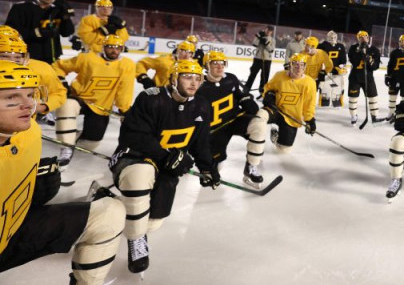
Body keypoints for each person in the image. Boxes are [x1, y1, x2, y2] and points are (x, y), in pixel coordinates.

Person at [0, 60, 125, 285]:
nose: (29, 105)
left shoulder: (30, 133)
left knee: (109, 213)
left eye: (30, 95)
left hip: (11, 232)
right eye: (12, 98)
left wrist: (37, 191)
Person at [109, 59, 219, 274]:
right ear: (173, 78)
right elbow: (134, 136)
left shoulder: (202, 105)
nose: (193, 83)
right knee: (139, 181)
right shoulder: (151, 98)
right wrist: (166, 155)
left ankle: (107, 200)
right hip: (136, 157)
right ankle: (137, 241)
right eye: (187, 77)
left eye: (198, 78)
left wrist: (208, 167)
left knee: (154, 220)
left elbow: (200, 141)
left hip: (169, 164)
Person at [53, 34, 135, 169]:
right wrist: (62, 81)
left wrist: (124, 110)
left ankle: (70, 136)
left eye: (117, 48)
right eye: (110, 47)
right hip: (79, 98)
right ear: (103, 47)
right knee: (67, 105)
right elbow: (58, 66)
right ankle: (66, 148)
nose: (114, 50)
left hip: (101, 106)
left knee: (92, 142)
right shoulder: (87, 58)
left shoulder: (127, 65)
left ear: (122, 49)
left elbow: (124, 89)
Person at [197, 50, 269, 188]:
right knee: (216, 168)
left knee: (259, 124)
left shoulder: (231, 78)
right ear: (207, 65)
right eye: (215, 63)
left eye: (222, 63)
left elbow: (239, 94)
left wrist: (246, 99)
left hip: (235, 120)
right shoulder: (199, 86)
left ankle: (251, 167)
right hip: (215, 130)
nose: (220, 66)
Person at [0, 34, 66, 127]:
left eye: (17, 57)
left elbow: (58, 93)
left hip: (24, 130)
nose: (12, 62)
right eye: (4, 56)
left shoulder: (41, 70)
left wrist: (41, 106)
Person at [5, 0, 75, 63]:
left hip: (52, 56)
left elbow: (66, 33)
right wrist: (37, 33)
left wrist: (66, 18)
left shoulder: (56, 11)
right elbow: (10, 32)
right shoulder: (21, 9)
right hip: (29, 55)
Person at [261, 53, 317, 153]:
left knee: (284, 150)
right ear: (290, 65)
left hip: (292, 117)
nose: (299, 68)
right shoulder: (279, 76)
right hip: (275, 110)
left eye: (302, 65)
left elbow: (309, 103)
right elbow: (267, 88)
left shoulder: (309, 82)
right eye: (296, 64)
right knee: (259, 118)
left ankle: (276, 138)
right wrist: (268, 95)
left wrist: (310, 120)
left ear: (305, 66)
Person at [347, 30, 382, 125]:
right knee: (353, 98)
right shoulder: (353, 48)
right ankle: (353, 116)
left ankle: (374, 116)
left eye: (365, 37)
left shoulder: (374, 50)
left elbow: (375, 66)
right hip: (355, 77)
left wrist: (369, 60)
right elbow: (353, 61)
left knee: (373, 97)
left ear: (368, 37)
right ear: (358, 39)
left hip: (368, 77)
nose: (363, 39)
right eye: (361, 37)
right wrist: (361, 53)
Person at [317, 30, 347, 107]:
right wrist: (321, 68)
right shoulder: (322, 45)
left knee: (337, 89)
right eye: (331, 37)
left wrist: (341, 66)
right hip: (325, 71)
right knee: (325, 89)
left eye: (334, 37)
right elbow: (318, 57)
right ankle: (324, 103)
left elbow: (343, 59)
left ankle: (337, 103)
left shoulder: (340, 46)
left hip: (336, 72)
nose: (333, 38)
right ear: (327, 37)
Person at [243, 25, 275, 94]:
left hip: (267, 60)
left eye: (270, 31)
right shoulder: (259, 36)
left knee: (264, 76)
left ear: (271, 32)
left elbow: (271, 50)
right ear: (265, 30)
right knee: (252, 74)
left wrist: (266, 43)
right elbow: (254, 44)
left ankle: (262, 90)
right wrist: (259, 37)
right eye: (267, 30)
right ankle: (247, 88)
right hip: (257, 59)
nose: (268, 32)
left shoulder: (273, 40)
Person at [301, 36, 333, 100]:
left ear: (313, 46)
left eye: (307, 45)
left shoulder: (321, 53)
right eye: (305, 44)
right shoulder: (301, 53)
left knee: (311, 98)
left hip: (315, 80)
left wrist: (324, 72)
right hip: (302, 79)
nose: (305, 46)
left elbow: (329, 65)